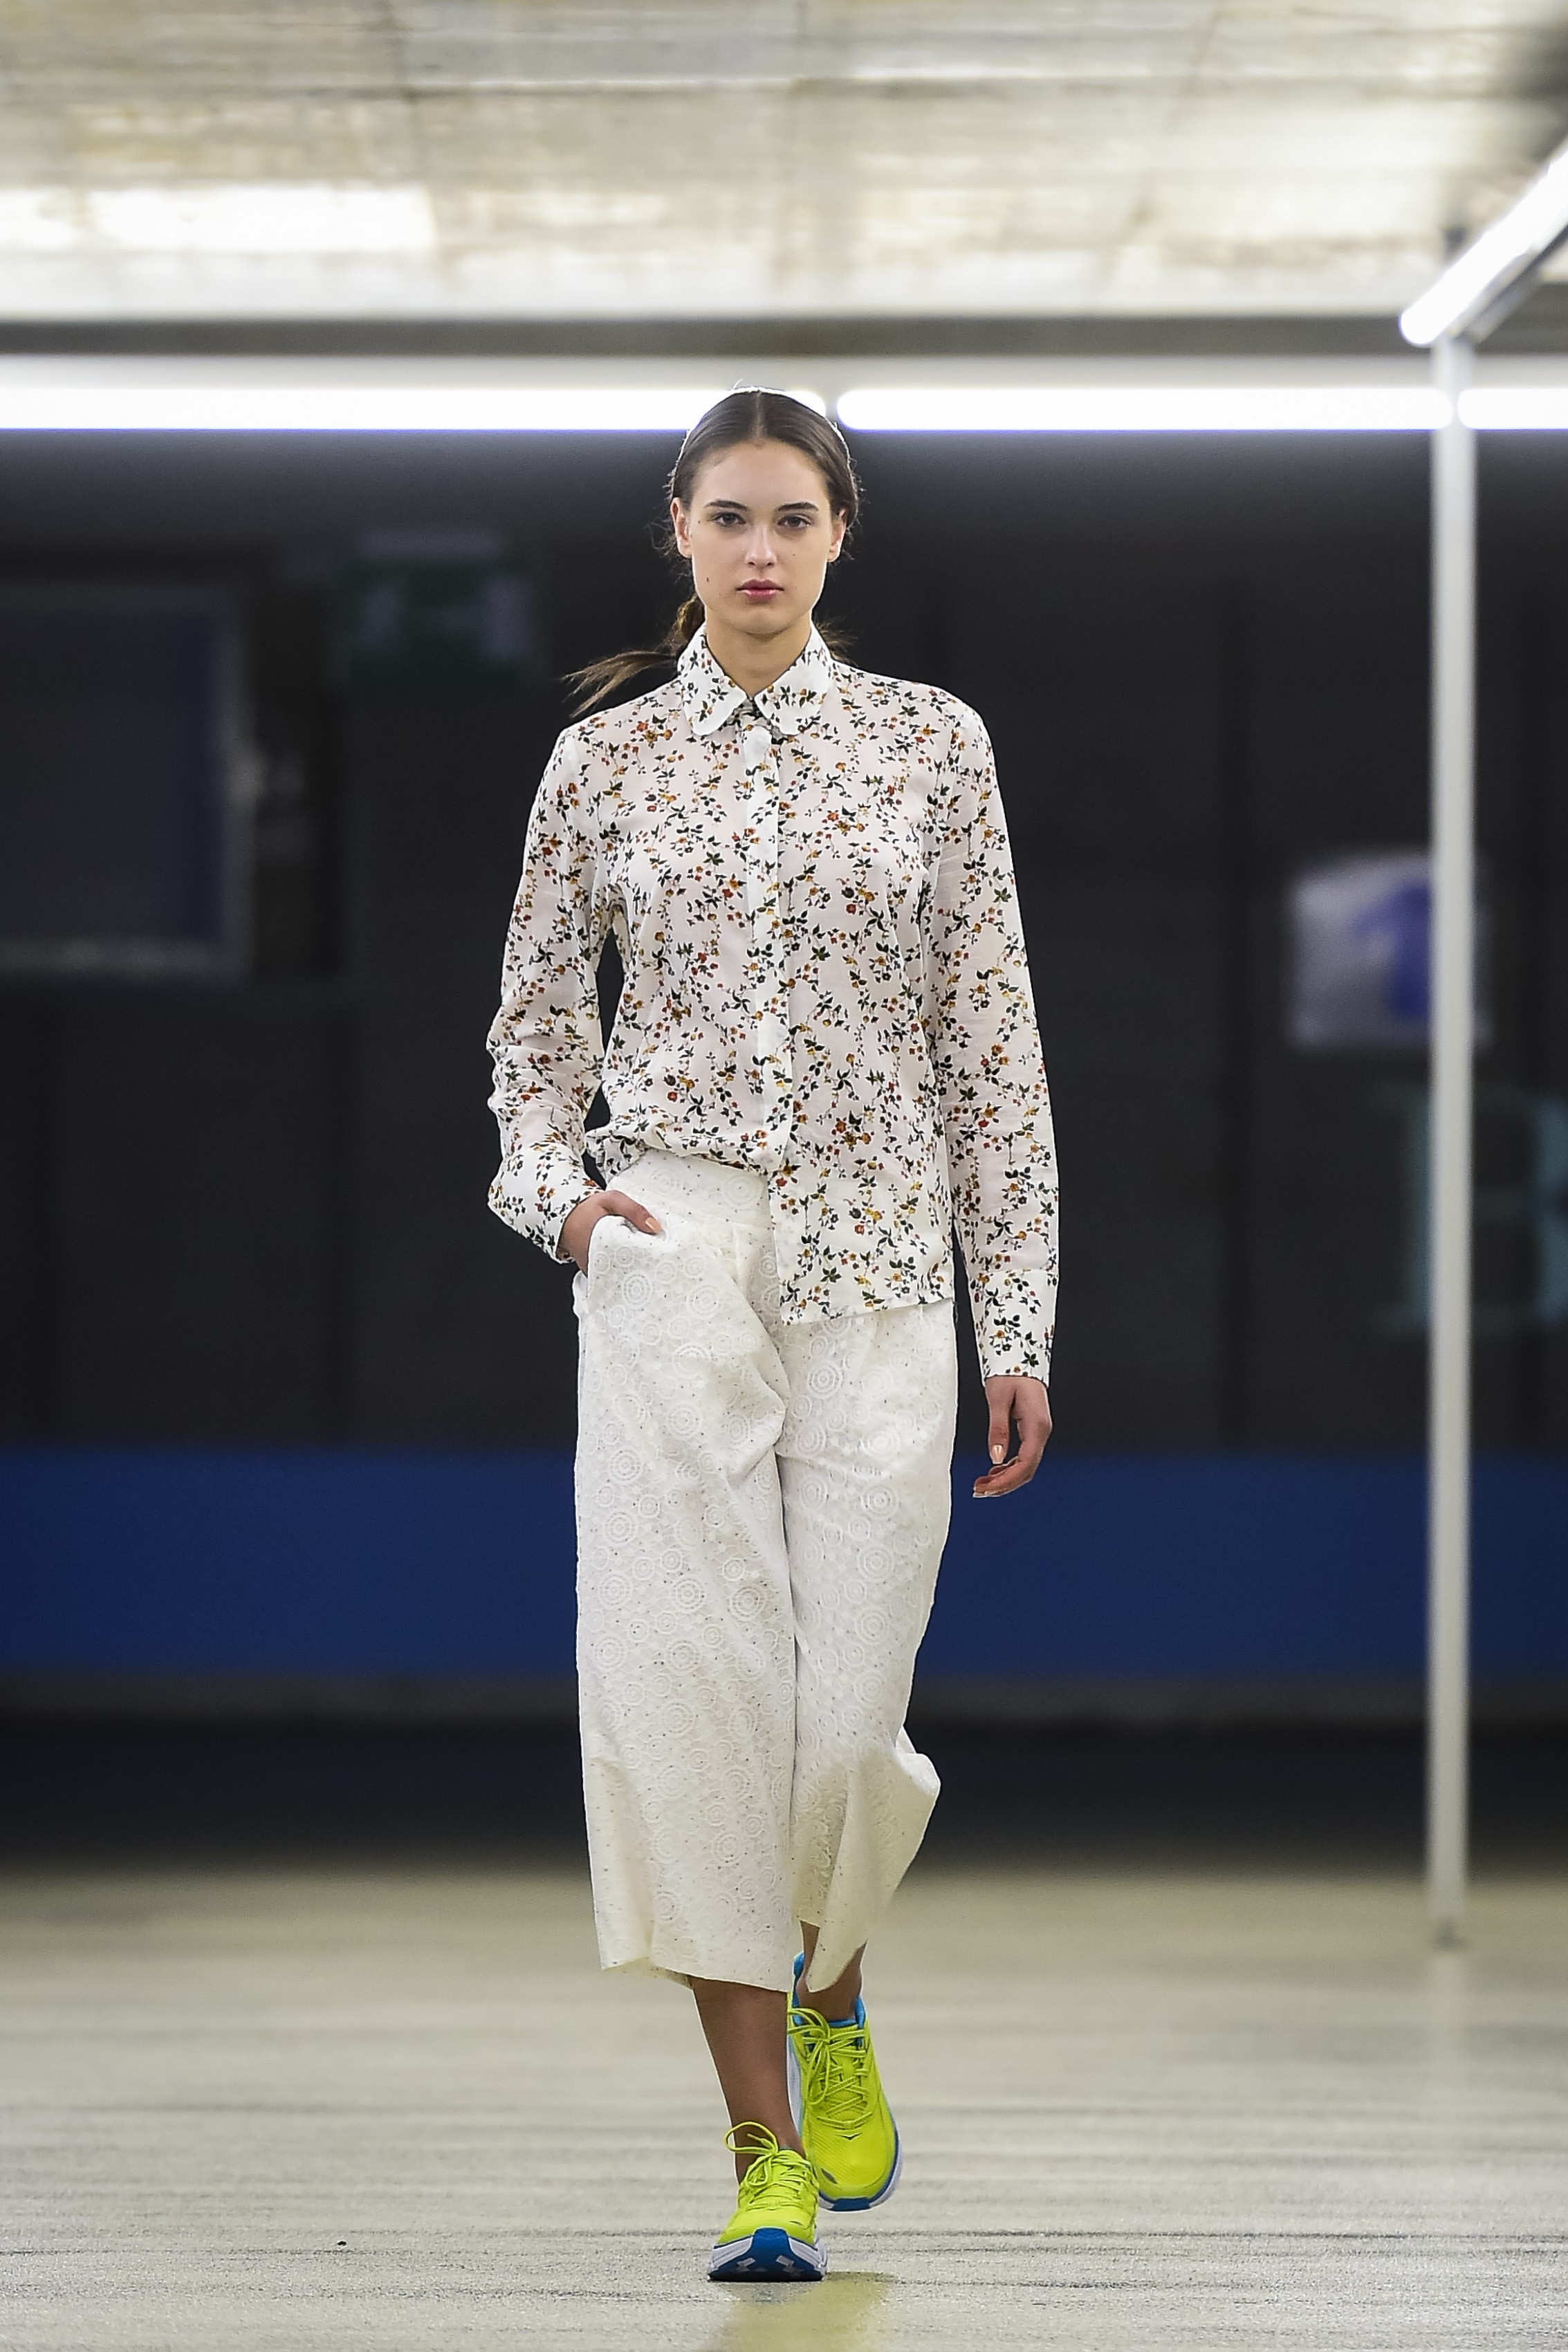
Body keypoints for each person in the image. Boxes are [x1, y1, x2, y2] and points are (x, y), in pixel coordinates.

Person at [487, 387, 1057, 2284]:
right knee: (687, 1695)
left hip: (881, 1249)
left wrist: (1016, 1311)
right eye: (728, 516)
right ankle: (763, 2159)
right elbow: (531, 1033)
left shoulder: (927, 745)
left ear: (837, 536)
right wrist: (562, 1203)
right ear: (678, 529)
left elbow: (990, 1044)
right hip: (674, 1240)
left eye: (791, 518)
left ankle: (836, 1987)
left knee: (844, 1716)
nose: (758, 549)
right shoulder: (606, 763)